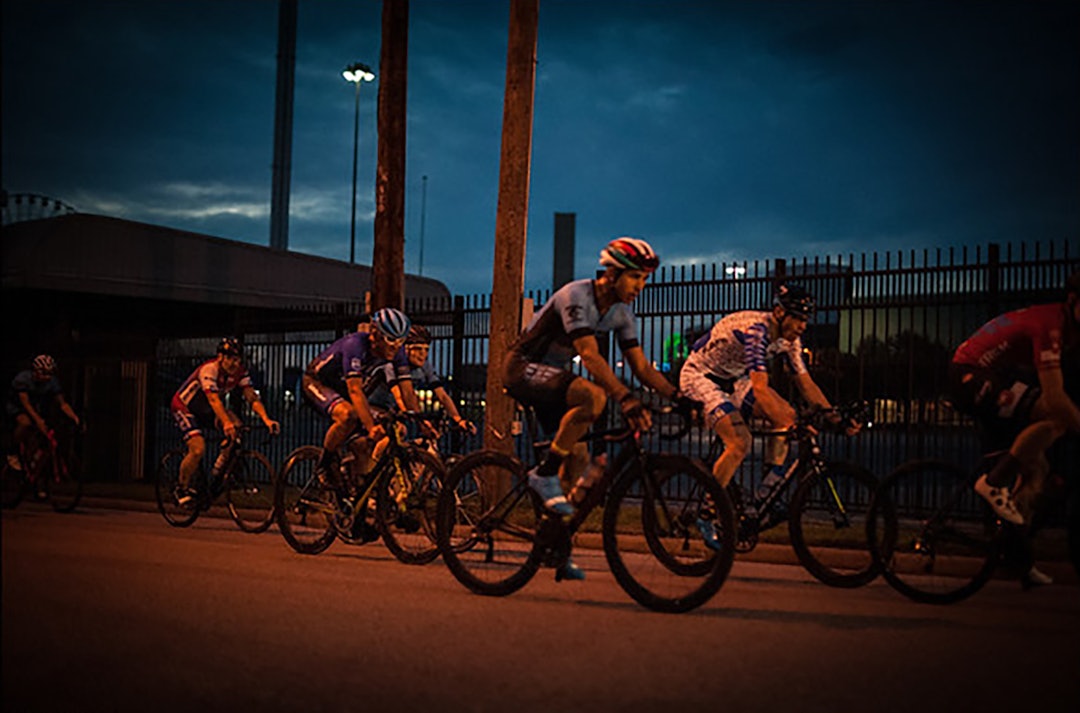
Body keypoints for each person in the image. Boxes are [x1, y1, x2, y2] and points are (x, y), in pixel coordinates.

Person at [503, 237, 694, 580]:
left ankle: (554, 542)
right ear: (612, 273)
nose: (641, 286)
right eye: (636, 277)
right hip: (522, 368)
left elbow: (642, 367)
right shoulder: (576, 295)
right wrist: (626, 398)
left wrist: (678, 397)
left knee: (578, 460)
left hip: (552, 379)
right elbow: (589, 356)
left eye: (645, 279)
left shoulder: (620, 313)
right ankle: (543, 475)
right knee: (595, 397)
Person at [679, 285, 858, 546]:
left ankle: (765, 495)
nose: (801, 326)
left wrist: (834, 417)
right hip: (701, 376)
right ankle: (707, 512)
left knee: (786, 416)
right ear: (778, 312)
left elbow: (805, 383)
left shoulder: (791, 341)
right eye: (796, 317)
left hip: (733, 379)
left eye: (805, 320)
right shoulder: (756, 331)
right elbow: (761, 389)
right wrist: (799, 426)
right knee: (740, 442)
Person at [948, 269, 1080, 586]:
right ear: (1073, 301)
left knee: (1037, 475)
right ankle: (993, 481)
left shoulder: (1070, 327)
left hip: (1001, 377)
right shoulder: (1050, 325)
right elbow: (1055, 397)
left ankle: (1016, 557)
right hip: (970, 374)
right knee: (1056, 414)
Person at [302, 307, 428, 485]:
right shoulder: (355, 344)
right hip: (317, 383)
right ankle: (325, 463)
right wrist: (370, 427)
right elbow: (355, 390)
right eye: (391, 339)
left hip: (345, 389)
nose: (395, 346)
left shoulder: (397, 351)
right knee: (348, 415)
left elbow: (407, 391)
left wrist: (422, 422)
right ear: (375, 334)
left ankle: (360, 484)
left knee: (388, 426)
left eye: (401, 340)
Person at [170, 337, 280, 506]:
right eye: (230, 358)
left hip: (207, 409)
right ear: (220, 357)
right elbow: (214, 400)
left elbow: (251, 396)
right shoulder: (209, 370)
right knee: (198, 449)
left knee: (237, 427)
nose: (234, 364)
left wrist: (266, 419)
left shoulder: (239, 373)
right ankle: (181, 487)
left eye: (237, 360)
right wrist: (225, 423)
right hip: (185, 407)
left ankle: (218, 473)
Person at [367, 325, 477, 436]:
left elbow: (442, 395)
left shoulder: (425, 367)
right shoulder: (390, 365)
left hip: (392, 410)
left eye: (426, 350)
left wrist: (459, 420)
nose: (423, 354)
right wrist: (421, 422)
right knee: (396, 432)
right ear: (405, 349)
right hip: (372, 406)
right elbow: (400, 396)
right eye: (418, 348)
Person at [5, 355, 82, 495]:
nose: (47, 377)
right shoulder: (23, 379)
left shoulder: (52, 382)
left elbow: (62, 404)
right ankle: (13, 453)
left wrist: (73, 416)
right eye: (44, 373)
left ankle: (36, 478)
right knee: (26, 423)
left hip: (37, 408)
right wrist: (38, 420)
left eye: (50, 374)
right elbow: (25, 404)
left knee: (45, 442)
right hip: (17, 407)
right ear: (35, 371)